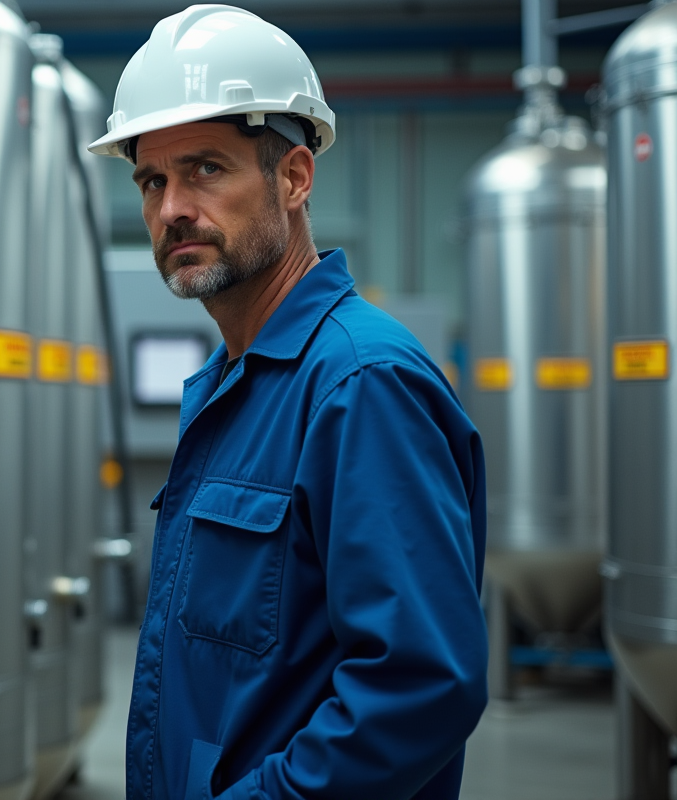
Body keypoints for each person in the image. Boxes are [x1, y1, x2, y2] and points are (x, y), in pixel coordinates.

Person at [87, 6, 488, 799]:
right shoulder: (234, 385)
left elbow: (417, 688)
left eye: (205, 168)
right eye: (152, 180)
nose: (171, 209)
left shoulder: (361, 385)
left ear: (295, 177)